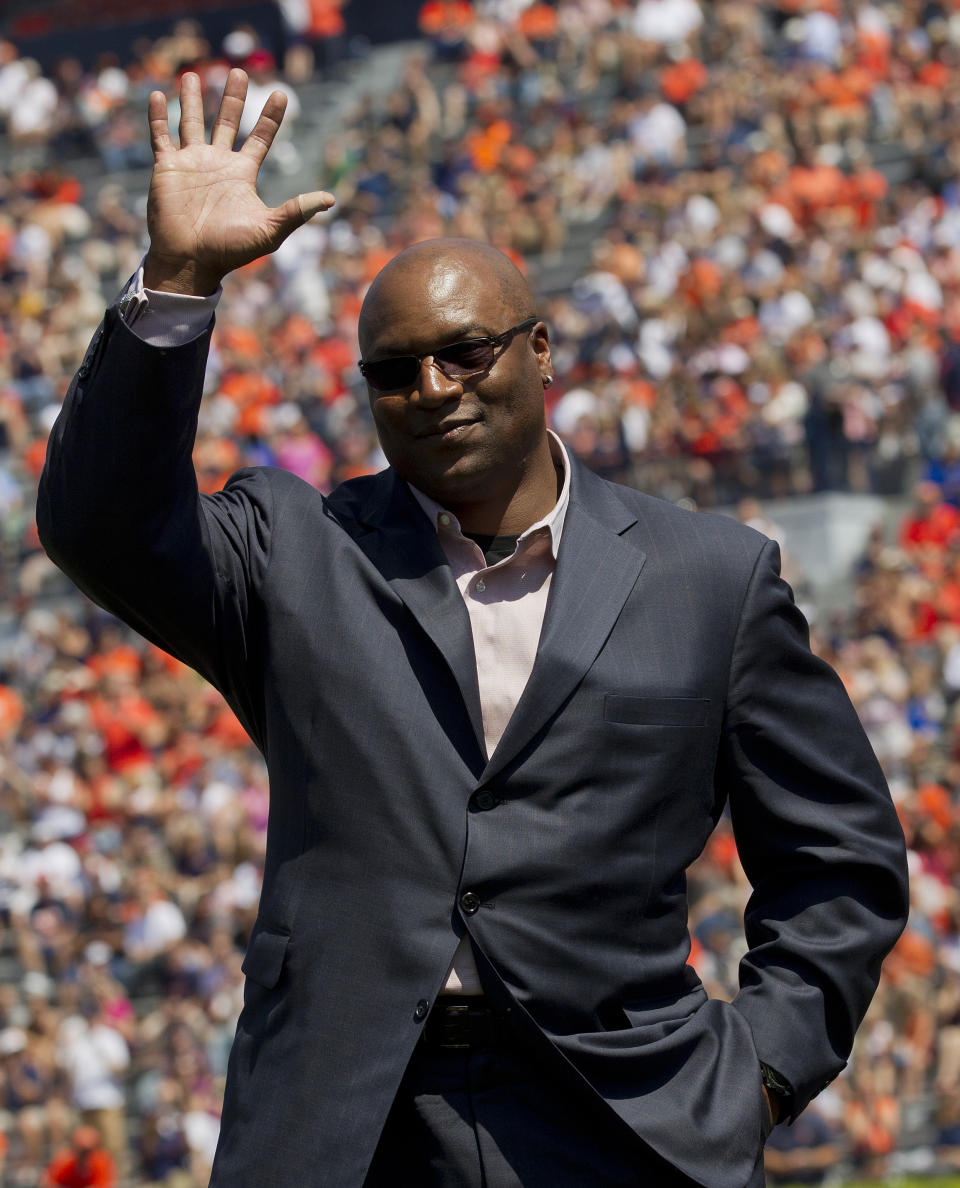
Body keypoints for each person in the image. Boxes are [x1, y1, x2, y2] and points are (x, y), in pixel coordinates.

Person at [37, 69, 909, 1188]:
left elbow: (841, 862)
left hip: (626, 1124)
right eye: (394, 375)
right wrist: (175, 288)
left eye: (466, 352)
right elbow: (99, 526)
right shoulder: (294, 549)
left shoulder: (710, 580)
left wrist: (762, 1074)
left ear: (541, 352)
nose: (435, 388)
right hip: (349, 1133)